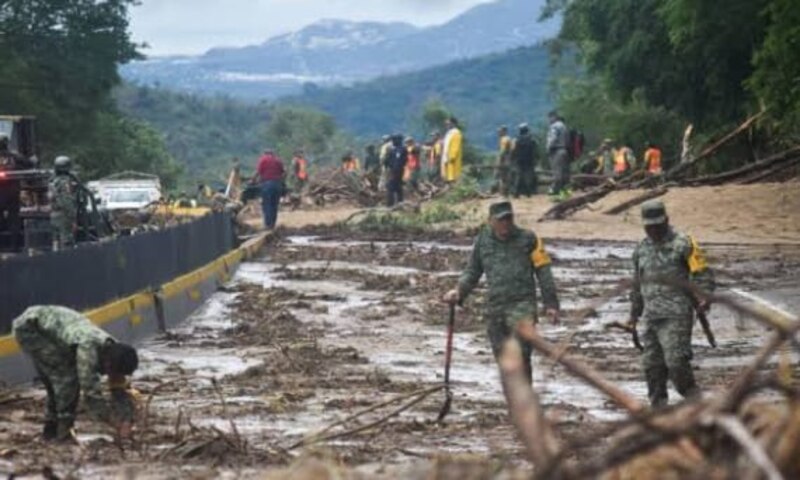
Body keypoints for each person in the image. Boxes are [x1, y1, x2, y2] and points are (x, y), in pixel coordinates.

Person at [443, 201, 560, 383]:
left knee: (521, 356)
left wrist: (551, 304)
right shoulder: (483, 241)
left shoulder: (529, 239)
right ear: (491, 221)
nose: (505, 224)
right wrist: (459, 292)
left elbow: (543, 271)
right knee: (503, 359)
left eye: (508, 219)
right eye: (501, 220)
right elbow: (473, 271)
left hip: (523, 307)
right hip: (496, 309)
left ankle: (525, 403)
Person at [629, 200, 716, 407]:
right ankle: (658, 410)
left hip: (677, 315)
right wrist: (634, 314)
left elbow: (702, 272)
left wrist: (704, 297)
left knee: (676, 362)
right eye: (649, 227)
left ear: (666, 221)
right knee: (652, 366)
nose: (653, 230)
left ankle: (696, 402)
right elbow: (637, 284)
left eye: (657, 225)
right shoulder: (641, 249)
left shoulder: (684, 244)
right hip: (651, 317)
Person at [12, 306, 140, 441]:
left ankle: (50, 429)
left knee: (61, 377)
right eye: (114, 373)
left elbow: (119, 389)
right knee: (66, 378)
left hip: (54, 328)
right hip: (31, 329)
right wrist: (114, 422)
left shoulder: (116, 352)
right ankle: (62, 433)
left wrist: (126, 418)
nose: (115, 377)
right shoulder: (88, 350)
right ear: (108, 365)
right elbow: (91, 394)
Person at [0, 134, 30, 251]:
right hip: (12, 192)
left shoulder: (14, 156)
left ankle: (5, 246)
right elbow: (28, 163)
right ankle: (14, 246)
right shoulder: (14, 156)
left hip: (6, 192)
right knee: (14, 219)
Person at [49, 156, 78, 250]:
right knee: (67, 241)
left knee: (56, 241)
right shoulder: (64, 182)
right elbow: (67, 200)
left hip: (54, 214)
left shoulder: (52, 181)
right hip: (64, 215)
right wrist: (73, 217)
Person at [252, 148, 285, 230]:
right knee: (274, 205)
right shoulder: (278, 161)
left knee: (267, 204)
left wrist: (252, 180)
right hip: (277, 185)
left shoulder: (263, 160)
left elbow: (258, 172)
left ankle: (267, 224)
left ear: (265, 153)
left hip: (267, 184)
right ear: (272, 154)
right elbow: (284, 172)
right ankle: (273, 224)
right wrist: (281, 181)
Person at [546, 111, 570, 199]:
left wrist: (548, 148)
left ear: (553, 117)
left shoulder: (555, 126)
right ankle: (565, 194)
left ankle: (556, 195)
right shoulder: (564, 126)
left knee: (557, 174)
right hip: (564, 150)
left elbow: (553, 138)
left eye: (549, 118)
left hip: (557, 151)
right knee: (564, 174)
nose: (548, 120)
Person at [511, 123, 538, 198]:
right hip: (529, 160)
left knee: (519, 176)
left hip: (519, 160)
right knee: (528, 177)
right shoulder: (532, 139)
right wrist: (535, 159)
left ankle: (516, 193)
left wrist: (513, 159)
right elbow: (535, 150)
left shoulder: (516, 139)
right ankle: (528, 193)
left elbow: (513, 150)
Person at [384, 134, 407, 207]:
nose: (392, 141)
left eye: (393, 140)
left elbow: (386, 161)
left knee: (391, 187)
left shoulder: (393, 150)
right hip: (400, 170)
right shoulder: (404, 149)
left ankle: (390, 204)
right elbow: (405, 160)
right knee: (398, 187)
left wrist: (388, 167)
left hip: (394, 171)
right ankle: (400, 203)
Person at [441, 117, 463, 183]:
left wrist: (452, 156)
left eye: (448, 123)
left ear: (453, 124)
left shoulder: (456, 133)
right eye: (446, 124)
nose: (447, 125)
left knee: (453, 175)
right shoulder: (448, 133)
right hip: (446, 157)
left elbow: (455, 146)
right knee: (447, 175)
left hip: (452, 157)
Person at [495, 126, 513, 195]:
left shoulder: (504, 139)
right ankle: (504, 191)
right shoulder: (506, 139)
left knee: (503, 176)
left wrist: (499, 161)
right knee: (505, 177)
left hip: (504, 160)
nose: (498, 133)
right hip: (507, 159)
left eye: (500, 131)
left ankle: (503, 192)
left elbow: (502, 151)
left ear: (504, 131)